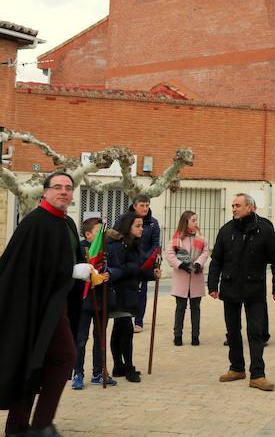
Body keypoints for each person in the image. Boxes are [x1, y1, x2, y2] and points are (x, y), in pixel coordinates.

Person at [0, 172, 88, 437]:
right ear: (45, 192)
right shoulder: (35, 223)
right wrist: (71, 271)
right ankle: (41, 425)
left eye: (68, 188)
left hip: (56, 305)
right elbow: (27, 268)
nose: (63, 192)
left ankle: (17, 427)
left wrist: (85, 272)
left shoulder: (68, 224)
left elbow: (71, 258)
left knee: (37, 362)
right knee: (66, 357)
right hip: (34, 308)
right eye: (57, 187)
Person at [208, 193, 275, 391]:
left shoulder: (264, 229)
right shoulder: (226, 230)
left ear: (250, 207)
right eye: (232, 205)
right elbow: (216, 260)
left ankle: (257, 374)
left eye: (238, 205)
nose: (234, 208)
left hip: (254, 288)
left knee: (256, 332)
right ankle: (237, 368)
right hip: (231, 287)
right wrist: (212, 285)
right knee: (232, 331)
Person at [107, 212, 160, 383]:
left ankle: (118, 366)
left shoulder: (136, 245)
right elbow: (118, 270)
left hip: (130, 293)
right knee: (126, 331)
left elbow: (140, 270)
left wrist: (152, 274)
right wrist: (135, 269)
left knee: (120, 330)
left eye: (142, 225)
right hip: (119, 293)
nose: (141, 229)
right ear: (127, 227)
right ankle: (127, 367)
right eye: (137, 226)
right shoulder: (116, 246)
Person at [72, 215, 116, 390]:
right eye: (98, 232)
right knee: (81, 339)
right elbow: (74, 271)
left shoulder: (107, 249)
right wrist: (87, 274)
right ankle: (78, 373)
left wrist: (109, 274)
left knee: (100, 338)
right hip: (84, 302)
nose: (102, 235)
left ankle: (98, 372)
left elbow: (116, 267)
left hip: (102, 300)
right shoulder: (80, 250)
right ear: (88, 235)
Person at [163, 210, 208, 347]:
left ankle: (195, 336)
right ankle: (177, 336)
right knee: (180, 307)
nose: (196, 223)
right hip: (181, 278)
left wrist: (198, 263)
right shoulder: (176, 239)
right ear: (186, 222)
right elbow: (169, 254)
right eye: (193, 220)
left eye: (196, 220)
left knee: (196, 308)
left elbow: (205, 252)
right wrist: (180, 265)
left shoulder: (201, 239)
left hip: (196, 277)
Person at [123, 194, 160, 333]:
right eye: (142, 205)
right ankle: (125, 318)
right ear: (134, 206)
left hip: (144, 264)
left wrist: (144, 258)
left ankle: (138, 321)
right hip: (128, 261)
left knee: (141, 292)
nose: (145, 208)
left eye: (147, 205)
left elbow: (155, 245)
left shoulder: (153, 223)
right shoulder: (125, 220)